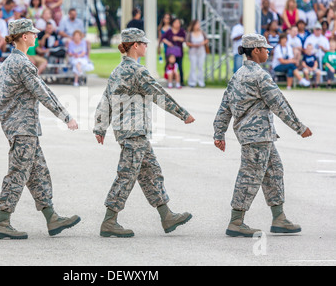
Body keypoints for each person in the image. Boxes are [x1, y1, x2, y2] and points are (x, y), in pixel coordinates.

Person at [0, 18, 81, 239]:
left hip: (21, 129)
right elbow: (42, 92)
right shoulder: (23, 64)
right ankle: (3, 222)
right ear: (24, 36)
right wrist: (65, 116)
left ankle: (51, 217)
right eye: (33, 34)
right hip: (23, 129)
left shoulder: (7, 63)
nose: (36, 36)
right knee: (17, 174)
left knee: (38, 174)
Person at [93, 27, 195, 238]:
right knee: (127, 175)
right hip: (134, 131)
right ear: (135, 46)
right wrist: (182, 114)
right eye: (144, 43)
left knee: (152, 173)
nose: (147, 46)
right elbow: (159, 94)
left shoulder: (117, 71)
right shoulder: (137, 71)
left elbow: (106, 100)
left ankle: (167, 216)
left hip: (130, 131)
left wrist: (100, 126)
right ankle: (109, 221)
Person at [213, 33, 313, 238]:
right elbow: (279, 103)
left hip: (258, 136)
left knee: (274, 171)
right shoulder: (260, 76)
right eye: (265, 48)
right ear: (255, 50)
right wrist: (299, 127)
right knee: (249, 177)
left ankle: (279, 218)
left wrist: (219, 132)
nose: (268, 51)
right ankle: (236, 221)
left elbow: (225, 106)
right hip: (257, 136)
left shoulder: (237, 75)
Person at [161, 18, 186, 85]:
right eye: (176, 22)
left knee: (179, 66)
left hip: (179, 52)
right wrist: (168, 43)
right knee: (169, 66)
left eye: (178, 23)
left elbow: (185, 39)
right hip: (171, 53)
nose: (177, 24)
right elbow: (162, 38)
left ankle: (181, 81)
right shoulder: (169, 31)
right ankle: (169, 80)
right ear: (173, 23)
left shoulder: (181, 31)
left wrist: (178, 38)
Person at [186, 19, 208, 88]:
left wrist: (202, 43)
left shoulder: (202, 32)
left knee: (201, 67)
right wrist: (194, 45)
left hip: (201, 52)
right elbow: (187, 42)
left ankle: (201, 82)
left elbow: (206, 40)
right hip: (193, 52)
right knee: (193, 66)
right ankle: (192, 82)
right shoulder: (190, 33)